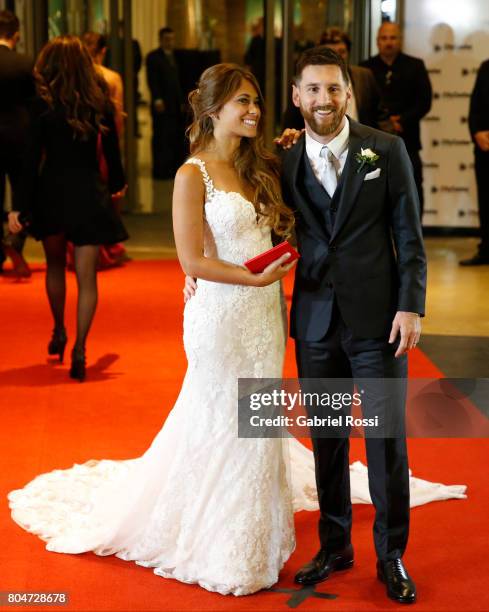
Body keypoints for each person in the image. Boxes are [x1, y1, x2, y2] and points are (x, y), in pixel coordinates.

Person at [278, 46, 426, 604]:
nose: (323, 100)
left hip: (379, 322)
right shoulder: (284, 160)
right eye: (312, 90)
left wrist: (411, 305)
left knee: (387, 441)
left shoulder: (385, 150)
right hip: (315, 321)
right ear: (297, 96)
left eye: (333, 89)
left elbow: (409, 237)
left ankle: (391, 556)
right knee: (328, 442)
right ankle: (335, 545)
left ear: (347, 92)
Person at [8, 36, 128, 381]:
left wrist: (21, 206)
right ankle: (81, 347)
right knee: (87, 278)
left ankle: (59, 329)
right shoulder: (98, 100)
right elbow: (113, 152)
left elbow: (30, 161)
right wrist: (117, 184)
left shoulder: (40, 105)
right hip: (88, 193)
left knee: (56, 267)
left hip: (52, 192)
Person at [361, 22, 432, 219]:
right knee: (372, 187)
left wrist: (401, 120)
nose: (389, 42)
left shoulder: (415, 66)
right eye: (384, 38)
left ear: (400, 40)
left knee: (412, 186)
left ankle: (414, 232)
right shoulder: (365, 68)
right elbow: (363, 103)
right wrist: (383, 124)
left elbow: (424, 101)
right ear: (377, 41)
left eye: (393, 38)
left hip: (407, 138)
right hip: (372, 143)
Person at [81, 31, 129, 269]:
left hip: (83, 139)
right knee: (108, 191)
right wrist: (116, 143)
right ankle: (108, 245)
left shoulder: (77, 76)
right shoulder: (111, 77)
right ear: (103, 51)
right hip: (104, 138)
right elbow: (117, 117)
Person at [283, 31, 383, 131]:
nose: (337, 57)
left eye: (342, 52)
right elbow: (292, 122)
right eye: (331, 53)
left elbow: (379, 113)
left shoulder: (364, 75)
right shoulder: (304, 81)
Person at [0, 9, 33, 277]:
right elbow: (34, 104)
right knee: (22, 193)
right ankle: (15, 240)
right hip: (20, 136)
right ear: (17, 34)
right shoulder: (24, 63)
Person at [146, 27, 185, 179]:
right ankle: (160, 170)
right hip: (161, 104)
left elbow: (179, 82)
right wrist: (157, 99)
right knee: (161, 136)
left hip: (175, 105)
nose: (170, 42)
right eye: (167, 39)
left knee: (174, 136)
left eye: (172, 39)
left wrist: (182, 101)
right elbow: (152, 80)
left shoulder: (176, 57)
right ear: (161, 39)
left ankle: (173, 168)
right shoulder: (153, 57)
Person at [461, 58, 489, 265]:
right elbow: (476, 105)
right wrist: (477, 131)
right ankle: (487, 248)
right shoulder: (486, 67)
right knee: (486, 199)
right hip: (486, 146)